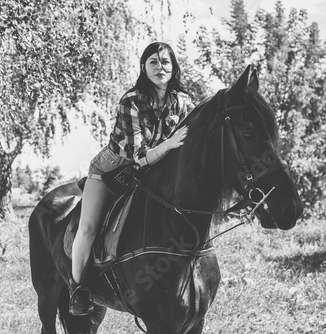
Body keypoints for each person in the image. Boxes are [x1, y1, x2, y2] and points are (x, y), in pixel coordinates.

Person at [69, 42, 195, 316]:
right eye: (154, 62)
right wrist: (170, 144)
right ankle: (78, 289)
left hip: (154, 173)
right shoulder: (132, 100)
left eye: (166, 62)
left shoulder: (183, 101)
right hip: (113, 172)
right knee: (88, 228)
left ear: (173, 67)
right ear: (143, 67)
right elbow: (139, 157)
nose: (160, 67)